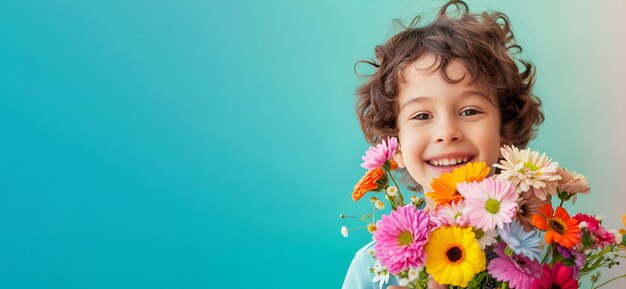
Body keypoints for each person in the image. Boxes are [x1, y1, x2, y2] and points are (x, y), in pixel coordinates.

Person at [343, 1, 544, 288]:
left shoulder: (540, 253)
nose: (447, 132)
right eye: (422, 115)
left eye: (470, 111)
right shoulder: (373, 267)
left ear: (505, 133)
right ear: (395, 145)